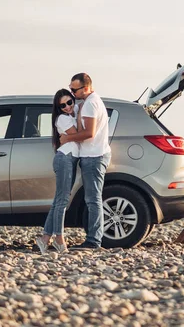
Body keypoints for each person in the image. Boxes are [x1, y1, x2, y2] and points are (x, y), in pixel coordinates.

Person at [60, 73, 111, 250]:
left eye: (75, 89)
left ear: (86, 88)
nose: (72, 93)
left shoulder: (90, 104)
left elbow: (89, 133)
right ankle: (93, 238)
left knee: (93, 199)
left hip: (94, 156)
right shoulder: (88, 102)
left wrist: (68, 138)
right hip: (92, 155)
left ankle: (94, 241)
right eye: (71, 88)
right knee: (92, 198)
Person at [36, 89, 79, 254]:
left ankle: (45, 238)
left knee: (59, 200)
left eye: (70, 102)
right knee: (62, 201)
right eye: (63, 105)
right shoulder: (62, 119)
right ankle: (59, 238)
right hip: (65, 158)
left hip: (71, 159)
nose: (68, 107)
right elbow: (78, 135)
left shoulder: (71, 117)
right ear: (58, 108)